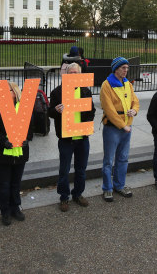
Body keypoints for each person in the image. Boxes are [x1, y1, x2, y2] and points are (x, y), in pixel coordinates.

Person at [48, 63, 95, 212]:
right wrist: (56, 110)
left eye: (76, 73)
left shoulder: (85, 91)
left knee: (81, 169)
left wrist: (87, 124)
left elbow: (92, 110)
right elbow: (49, 112)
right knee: (64, 170)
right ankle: (64, 197)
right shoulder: (57, 92)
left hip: (82, 137)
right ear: (66, 75)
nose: (74, 75)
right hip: (66, 139)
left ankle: (78, 194)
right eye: (71, 72)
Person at [0, 82, 34, 226]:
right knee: (5, 184)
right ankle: (5, 211)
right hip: (3, 155)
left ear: (15, 92)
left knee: (16, 183)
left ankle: (16, 207)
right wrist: (4, 142)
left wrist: (27, 139)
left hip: (20, 154)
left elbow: (31, 128)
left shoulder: (24, 109)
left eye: (7, 90)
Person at [100, 57, 139, 202]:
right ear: (116, 69)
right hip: (113, 128)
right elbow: (109, 110)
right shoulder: (106, 85)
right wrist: (123, 126)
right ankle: (107, 188)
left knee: (123, 158)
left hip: (127, 127)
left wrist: (134, 111)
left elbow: (135, 101)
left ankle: (119, 185)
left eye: (127, 68)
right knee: (109, 160)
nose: (126, 70)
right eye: (123, 68)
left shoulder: (127, 83)